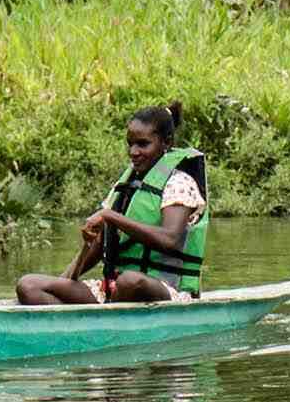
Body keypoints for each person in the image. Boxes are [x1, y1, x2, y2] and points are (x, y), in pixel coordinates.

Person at [17, 102, 209, 304]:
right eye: (130, 144)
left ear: (166, 142)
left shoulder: (179, 183)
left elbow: (171, 240)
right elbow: (100, 245)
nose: (133, 152)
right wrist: (63, 282)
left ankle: (107, 320)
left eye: (143, 144)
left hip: (167, 290)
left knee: (130, 281)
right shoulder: (126, 184)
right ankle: (84, 329)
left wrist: (110, 216)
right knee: (28, 285)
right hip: (115, 289)